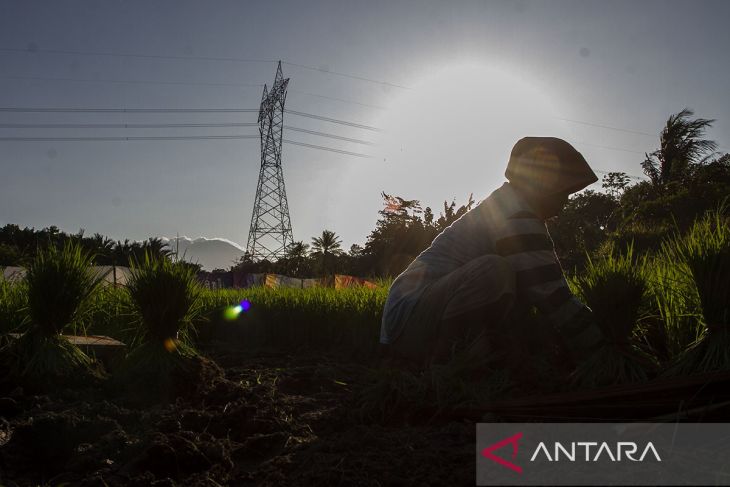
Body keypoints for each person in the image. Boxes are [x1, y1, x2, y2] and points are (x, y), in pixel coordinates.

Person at [379, 137, 605, 375]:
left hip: (415, 318)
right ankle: (443, 366)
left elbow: (537, 290)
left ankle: (476, 357)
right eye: (563, 191)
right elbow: (550, 292)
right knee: (494, 271)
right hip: (408, 322)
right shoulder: (515, 211)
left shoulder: (514, 207)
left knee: (517, 291)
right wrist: (599, 344)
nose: (565, 201)